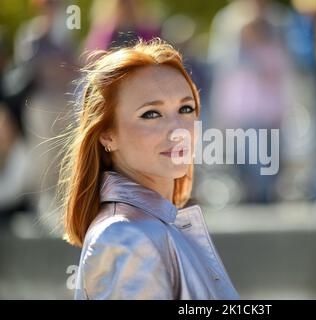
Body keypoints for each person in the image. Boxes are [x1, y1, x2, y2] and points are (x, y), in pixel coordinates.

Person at [58, 38, 240, 300]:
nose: (178, 130)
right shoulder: (124, 235)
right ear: (108, 135)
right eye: (151, 114)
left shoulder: (158, 225)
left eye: (186, 109)